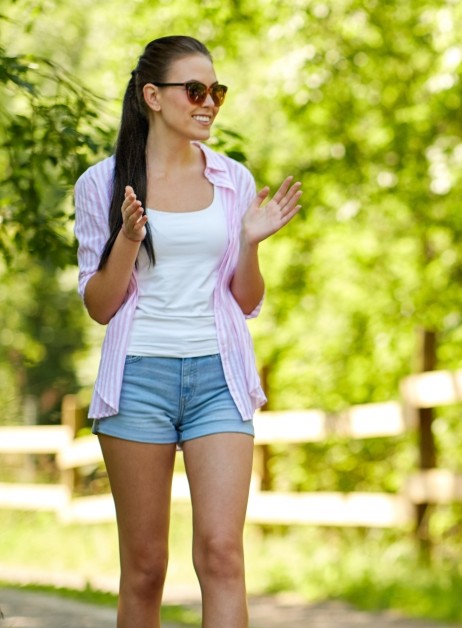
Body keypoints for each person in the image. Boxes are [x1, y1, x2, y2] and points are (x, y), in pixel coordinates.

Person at [73, 35, 302, 627]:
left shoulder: (233, 181)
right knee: (145, 567)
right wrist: (127, 237)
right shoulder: (101, 184)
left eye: (216, 92)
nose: (209, 102)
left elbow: (246, 300)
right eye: (194, 90)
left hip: (218, 380)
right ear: (152, 96)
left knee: (223, 556)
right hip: (139, 380)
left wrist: (250, 243)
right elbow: (100, 306)